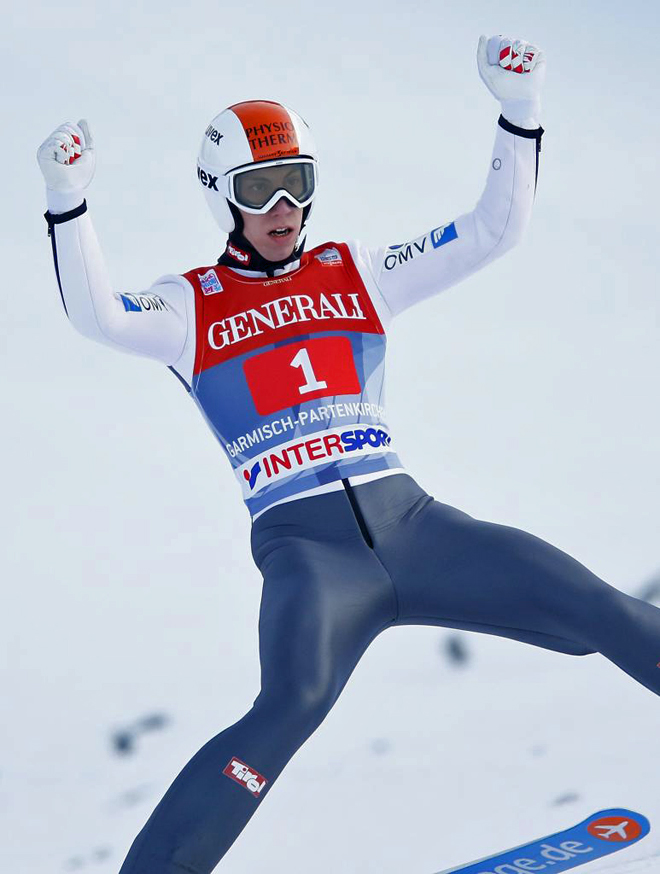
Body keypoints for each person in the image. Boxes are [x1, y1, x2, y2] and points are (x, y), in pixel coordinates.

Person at [38, 35, 660, 874]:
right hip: (309, 553)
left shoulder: (357, 271)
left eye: (299, 181)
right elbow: (98, 316)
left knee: (600, 611)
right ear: (224, 199)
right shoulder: (188, 305)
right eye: (262, 188)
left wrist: (521, 112)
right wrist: (68, 204)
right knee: (288, 704)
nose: (285, 203)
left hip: (419, 527)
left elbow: (491, 233)